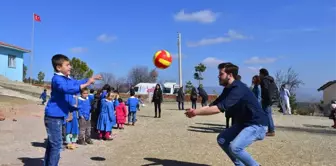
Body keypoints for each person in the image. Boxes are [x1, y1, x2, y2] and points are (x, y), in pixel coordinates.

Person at [185, 63, 268, 166]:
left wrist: (195, 113)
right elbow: (213, 105)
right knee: (222, 140)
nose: (218, 76)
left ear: (230, 75)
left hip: (257, 125)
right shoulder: (228, 89)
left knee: (235, 148)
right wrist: (195, 111)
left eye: (221, 74)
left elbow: (218, 109)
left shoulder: (238, 88)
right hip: (244, 124)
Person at [44, 54, 101, 166]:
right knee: (57, 145)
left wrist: (89, 79)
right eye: (67, 65)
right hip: (53, 117)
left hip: (59, 116)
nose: (70, 67)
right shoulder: (57, 79)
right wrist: (86, 84)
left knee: (53, 144)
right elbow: (67, 89)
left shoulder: (67, 79)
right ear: (58, 67)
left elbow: (76, 83)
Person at [259, 68, 277, 136]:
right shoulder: (271, 80)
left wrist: (264, 98)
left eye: (260, 73)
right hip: (271, 99)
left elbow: (266, 89)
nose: (259, 75)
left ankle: (271, 130)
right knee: (268, 114)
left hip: (266, 99)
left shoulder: (264, 80)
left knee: (267, 114)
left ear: (262, 74)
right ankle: (270, 129)